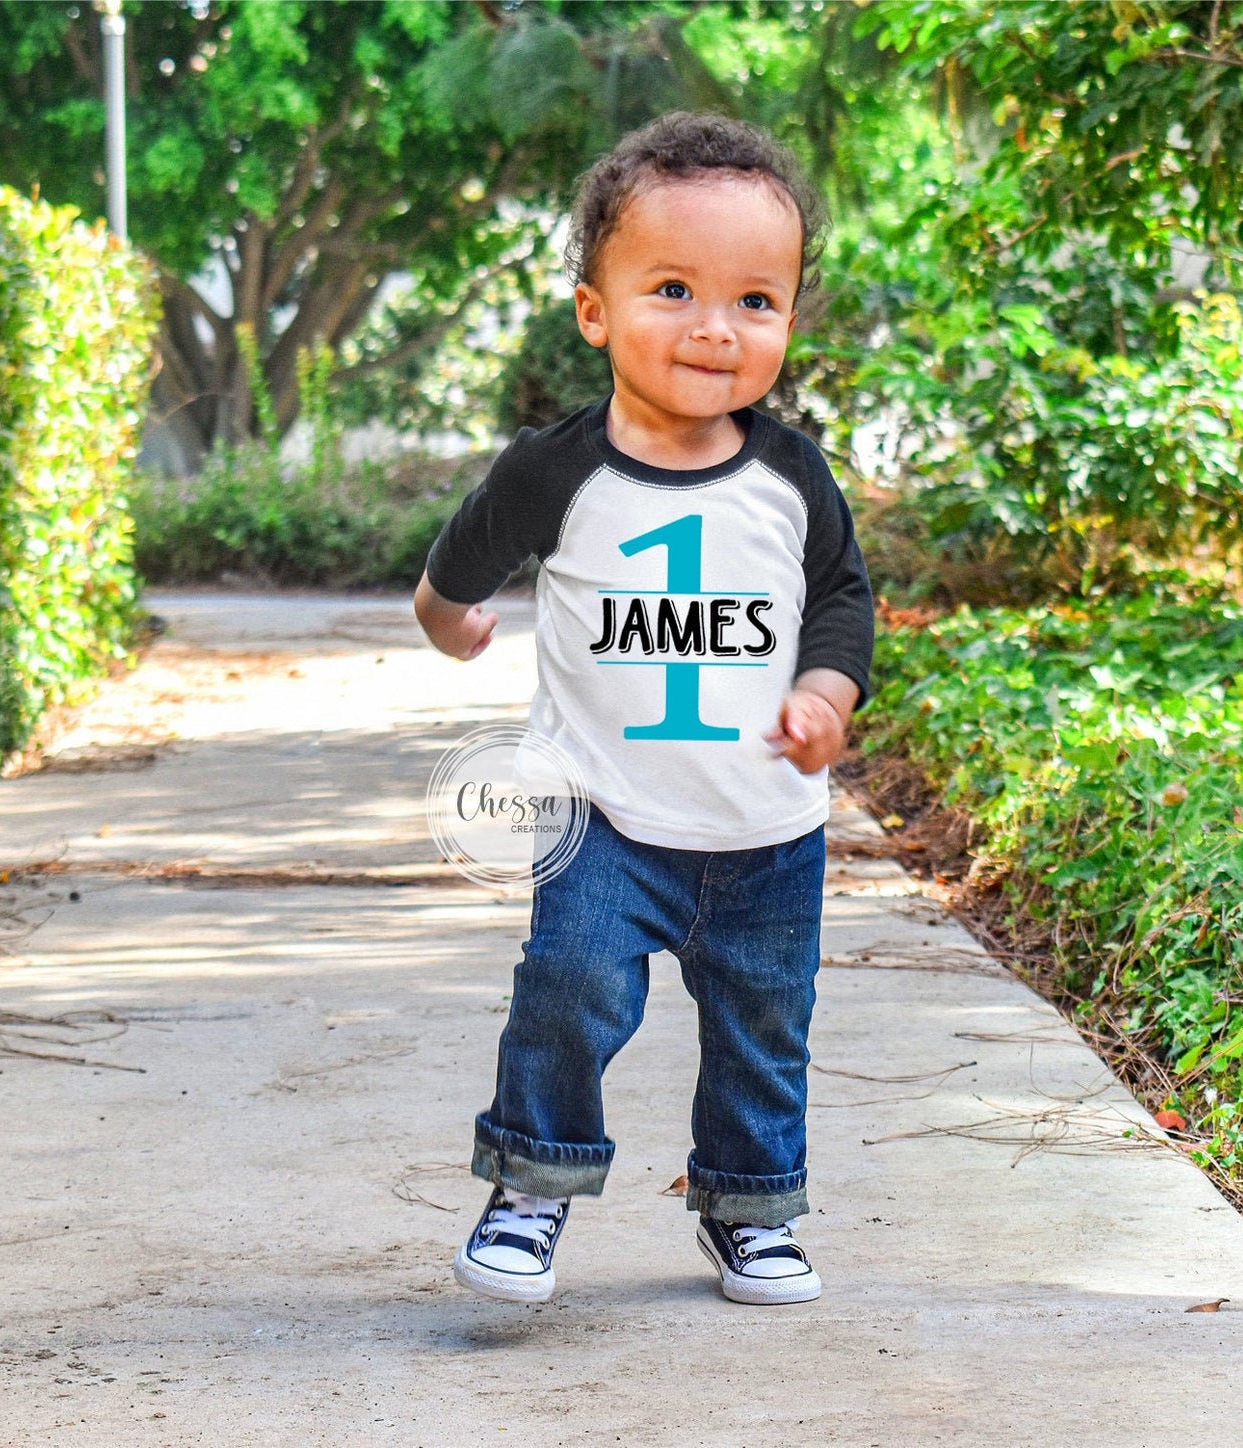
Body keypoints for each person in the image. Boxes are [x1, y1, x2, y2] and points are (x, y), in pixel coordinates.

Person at [413, 112, 873, 1306]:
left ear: (785, 317)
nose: (715, 327)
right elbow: (455, 564)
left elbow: (838, 597)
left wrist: (825, 688)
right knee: (563, 993)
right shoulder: (554, 472)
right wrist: (447, 619)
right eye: (672, 288)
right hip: (603, 818)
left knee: (765, 1028)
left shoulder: (791, 476)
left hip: (767, 828)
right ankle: (530, 1186)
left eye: (755, 300)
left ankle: (750, 1207)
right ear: (593, 309)